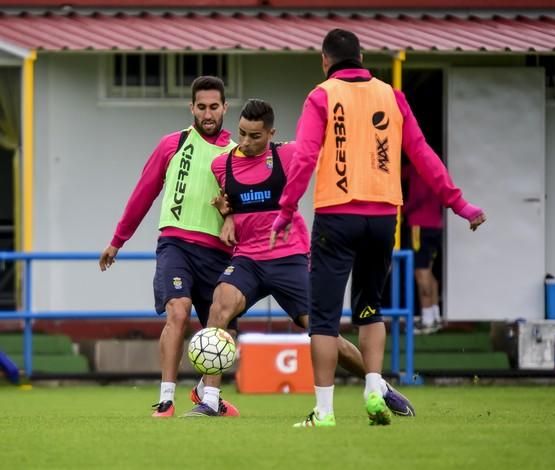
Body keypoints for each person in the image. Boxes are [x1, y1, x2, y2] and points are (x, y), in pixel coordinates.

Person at [271, 29, 486, 427]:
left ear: (325, 60)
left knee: (323, 318)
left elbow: (303, 159)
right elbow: (422, 154)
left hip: (336, 216)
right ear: (363, 57)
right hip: (385, 218)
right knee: (370, 307)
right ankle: (373, 388)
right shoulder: (391, 95)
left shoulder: (321, 95)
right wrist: (460, 204)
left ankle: (325, 411)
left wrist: (285, 210)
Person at [185, 98, 414, 420]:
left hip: (290, 258)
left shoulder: (289, 154)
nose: (247, 143)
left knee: (324, 333)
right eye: (243, 134)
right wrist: (226, 215)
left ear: (271, 133)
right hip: (248, 259)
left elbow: (331, 152)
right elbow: (230, 204)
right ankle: (210, 399)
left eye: (255, 136)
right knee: (219, 305)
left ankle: (380, 386)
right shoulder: (220, 165)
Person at [99, 76, 240, 418]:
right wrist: (118, 240)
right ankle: (166, 399)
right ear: (191, 107)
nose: (208, 114)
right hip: (175, 244)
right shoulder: (172, 145)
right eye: (201, 107)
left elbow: (243, 211)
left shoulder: (235, 154)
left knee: (217, 329)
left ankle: (209, 398)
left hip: (218, 254)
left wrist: (231, 218)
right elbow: (143, 194)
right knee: (178, 310)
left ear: (225, 108)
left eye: (214, 107)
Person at [403, 163, 444, 334]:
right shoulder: (436, 167)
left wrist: (401, 208)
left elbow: (418, 195)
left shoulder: (419, 167)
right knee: (429, 271)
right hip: (436, 224)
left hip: (420, 225)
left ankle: (426, 320)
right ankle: (435, 316)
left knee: (421, 273)